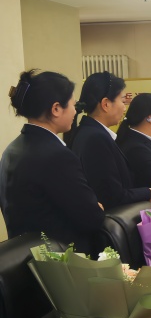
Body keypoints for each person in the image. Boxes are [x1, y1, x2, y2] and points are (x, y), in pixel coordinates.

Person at [0, 70, 104, 254]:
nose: (75, 111)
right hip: (63, 260)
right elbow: (91, 218)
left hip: (26, 258)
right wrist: (96, 207)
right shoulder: (57, 156)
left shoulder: (12, 149)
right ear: (56, 109)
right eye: (72, 104)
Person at [66, 72, 151, 210]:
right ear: (106, 104)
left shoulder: (88, 131)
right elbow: (111, 195)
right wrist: (146, 193)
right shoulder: (96, 138)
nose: (124, 107)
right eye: (122, 101)